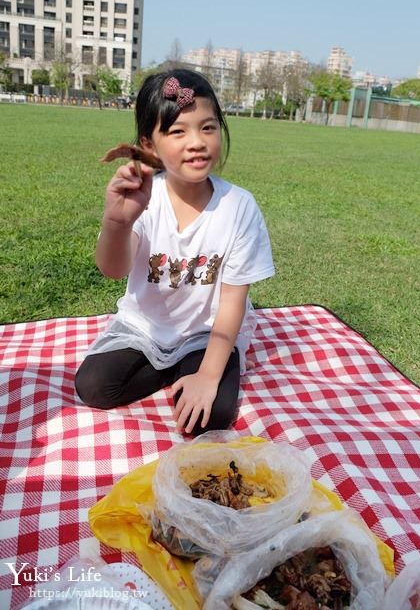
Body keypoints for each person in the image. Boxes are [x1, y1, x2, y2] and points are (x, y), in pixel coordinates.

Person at [75, 69, 275, 435]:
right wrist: (117, 222)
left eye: (208, 127)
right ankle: (174, 369)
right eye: (177, 131)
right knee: (94, 387)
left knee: (211, 416)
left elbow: (232, 303)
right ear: (148, 145)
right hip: (146, 329)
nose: (196, 142)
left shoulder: (239, 207)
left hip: (206, 333)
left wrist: (210, 375)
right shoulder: (143, 198)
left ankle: (189, 368)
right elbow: (114, 269)